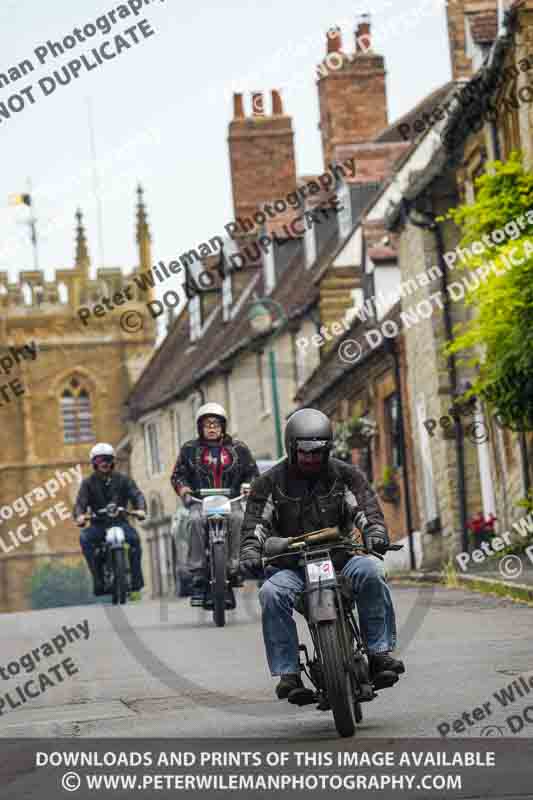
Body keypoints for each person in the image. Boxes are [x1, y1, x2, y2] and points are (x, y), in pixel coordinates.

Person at [239, 408, 405, 701]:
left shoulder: (346, 475)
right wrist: (251, 550)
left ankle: (379, 654)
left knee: (372, 572)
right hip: (292, 567)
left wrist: (375, 533)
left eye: (319, 451)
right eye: (305, 452)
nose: (312, 458)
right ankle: (288, 673)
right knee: (270, 594)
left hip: (341, 559)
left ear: (328, 448)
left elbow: (365, 509)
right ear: (292, 448)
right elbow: (255, 524)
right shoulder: (268, 483)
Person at [170, 402, 259, 606]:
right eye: (207, 425)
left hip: (232, 501)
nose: (212, 428)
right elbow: (178, 475)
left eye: (216, 424)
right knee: (194, 520)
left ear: (223, 427)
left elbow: (253, 472)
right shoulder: (189, 449)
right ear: (200, 427)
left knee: (239, 519)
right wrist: (184, 489)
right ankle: (198, 574)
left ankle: (235, 566)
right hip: (200, 501)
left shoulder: (239, 449)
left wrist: (248, 485)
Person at [74, 442, 146, 595]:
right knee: (85, 539)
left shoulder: (124, 480)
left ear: (113, 461)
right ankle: (98, 579)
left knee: (134, 539)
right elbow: (80, 502)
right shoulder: (87, 484)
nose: (104, 463)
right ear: (94, 463)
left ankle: (137, 579)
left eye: (107, 459)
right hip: (98, 525)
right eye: (100, 460)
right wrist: (80, 516)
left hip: (120, 523)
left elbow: (136, 494)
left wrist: (140, 509)